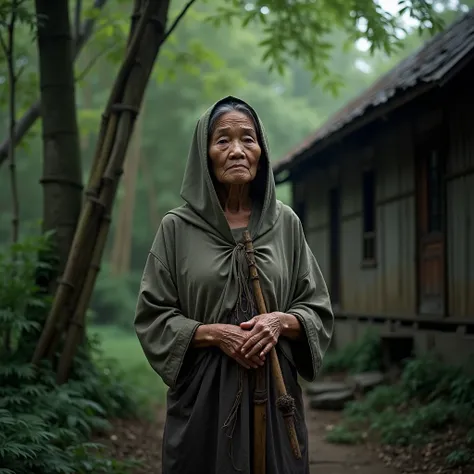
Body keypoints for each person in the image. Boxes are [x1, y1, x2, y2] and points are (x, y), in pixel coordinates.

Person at [134, 96, 334, 474]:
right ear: (204, 153)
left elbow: (316, 307)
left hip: (277, 394)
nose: (237, 150)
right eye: (223, 140)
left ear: (262, 151)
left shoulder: (285, 224)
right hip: (203, 400)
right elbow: (153, 315)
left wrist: (278, 322)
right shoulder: (176, 229)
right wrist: (212, 334)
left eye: (248, 139)